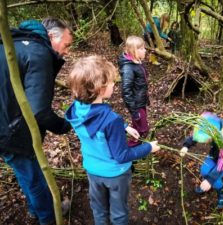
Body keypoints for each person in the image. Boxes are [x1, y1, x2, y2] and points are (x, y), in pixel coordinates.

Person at [65, 55, 160, 225]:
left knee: (99, 209)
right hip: (115, 174)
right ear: (100, 89)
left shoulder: (76, 110)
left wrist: (125, 126)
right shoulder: (111, 120)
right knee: (119, 213)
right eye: (111, 82)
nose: (114, 85)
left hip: (93, 170)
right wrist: (148, 148)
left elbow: (95, 120)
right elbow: (121, 155)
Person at [0, 18, 73, 224]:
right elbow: (39, 111)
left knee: (25, 173)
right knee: (34, 176)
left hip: (5, 123)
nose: (66, 52)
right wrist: (64, 125)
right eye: (66, 45)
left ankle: (36, 209)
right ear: (51, 36)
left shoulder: (14, 43)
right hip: (11, 130)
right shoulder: (38, 53)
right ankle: (49, 217)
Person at [180, 112, 223, 209]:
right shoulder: (208, 123)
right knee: (204, 170)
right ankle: (209, 183)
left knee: (214, 178)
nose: (205, 142)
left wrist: (210, 180)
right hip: (215, 153)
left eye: (206, 140)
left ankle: (221, 191)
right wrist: (186, 146)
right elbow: (195, 135)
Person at [119, 36, 150, 147]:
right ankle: (131, 150)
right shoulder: (128, 68)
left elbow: (141, 84)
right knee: (142, 130)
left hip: (141, 101)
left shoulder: (137, 62)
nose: (145, 50)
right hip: (136, 105)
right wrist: (134, 112)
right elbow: (126, 91)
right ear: (134, 51)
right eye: (141, 48)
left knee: (140, 129)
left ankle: (137, 149)